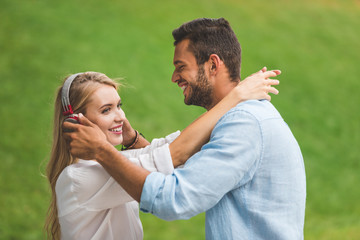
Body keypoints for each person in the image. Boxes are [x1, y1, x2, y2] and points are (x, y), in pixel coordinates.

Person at [46, 69, 280, 239]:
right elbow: (174, 155)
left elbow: (161, 159)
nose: (120, 117)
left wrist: (132, 140)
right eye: (106, 110)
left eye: (119, 105)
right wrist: (236, 96)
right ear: (77, 122)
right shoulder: (78, 178)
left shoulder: (105, 166)